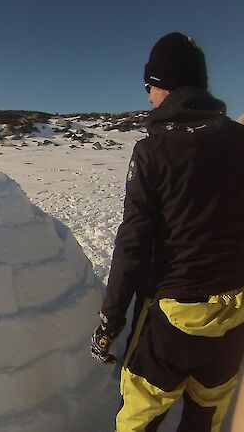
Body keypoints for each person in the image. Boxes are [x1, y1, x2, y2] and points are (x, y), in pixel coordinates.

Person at [90, 32, 244, 432]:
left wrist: (110, 321)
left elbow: (133, 245)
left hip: (172, 319)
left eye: (150, 87)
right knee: (206, 415)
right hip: (234, 315)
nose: (148, 98)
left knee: (141, 413)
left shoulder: (152, 152)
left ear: (167, 84)